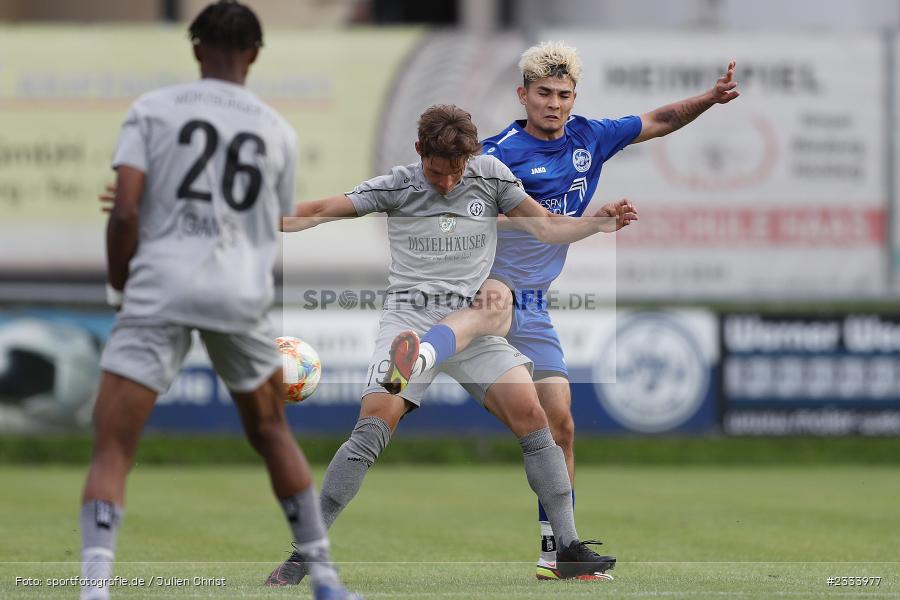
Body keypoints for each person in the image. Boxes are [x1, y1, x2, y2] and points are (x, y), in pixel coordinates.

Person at [383, 41, 740, 581]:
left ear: (575, 97)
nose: (553, 103)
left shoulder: (590, 137)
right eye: (543, 93)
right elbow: (452, 212)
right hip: (486, 290)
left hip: (537, 307)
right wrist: (527, 217)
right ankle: (417, 360)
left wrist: (710, 99)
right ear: (522, 94)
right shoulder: (496, 154)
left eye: (563, 94)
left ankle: (557, 551)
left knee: (562, 425)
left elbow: (661, 119)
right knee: (422, 390)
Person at [265, 104, 637, 586]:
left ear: (472, 155)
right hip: (410, 322)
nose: (446, 182)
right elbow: (315, 211)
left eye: (455, 171)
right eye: (437, 171)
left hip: (471, 325)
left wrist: (597, 223)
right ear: (420, 151)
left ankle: (565, 548)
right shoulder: (398, 185)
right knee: (373, 428)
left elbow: (545, 226)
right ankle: (307, 554)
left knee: (532, 414)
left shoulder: (491, 176)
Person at [79, 3, 360, 599]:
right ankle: (327, 583)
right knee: (272, 433)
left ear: (196, 47)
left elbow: (126, 209)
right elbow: (265, 221)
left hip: (159, 286)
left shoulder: (153, 110)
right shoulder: (279, 131)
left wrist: (120, 283)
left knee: (113, 445)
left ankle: (95, 589)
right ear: (255, 54)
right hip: (238, 292)